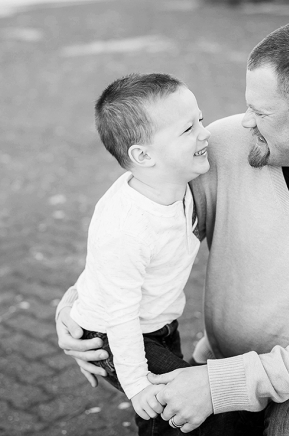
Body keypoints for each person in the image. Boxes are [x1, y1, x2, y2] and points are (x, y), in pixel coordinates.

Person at [56, 18, 289, 435]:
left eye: (260, 111)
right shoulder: (223, 147)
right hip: (222, 360)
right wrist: (77, 308)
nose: (244, 121)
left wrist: (219, 385)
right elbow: (137, 227)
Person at [61, 73, 211, 431]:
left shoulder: (177, 179)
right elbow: (121, 315)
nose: (205, 133)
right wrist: (136, 383)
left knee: (168, 420)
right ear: (143, 155)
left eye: (200, 120)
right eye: (188, 129)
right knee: (170, 407)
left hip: (160, 324)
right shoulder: (127, 226)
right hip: (114, 335)